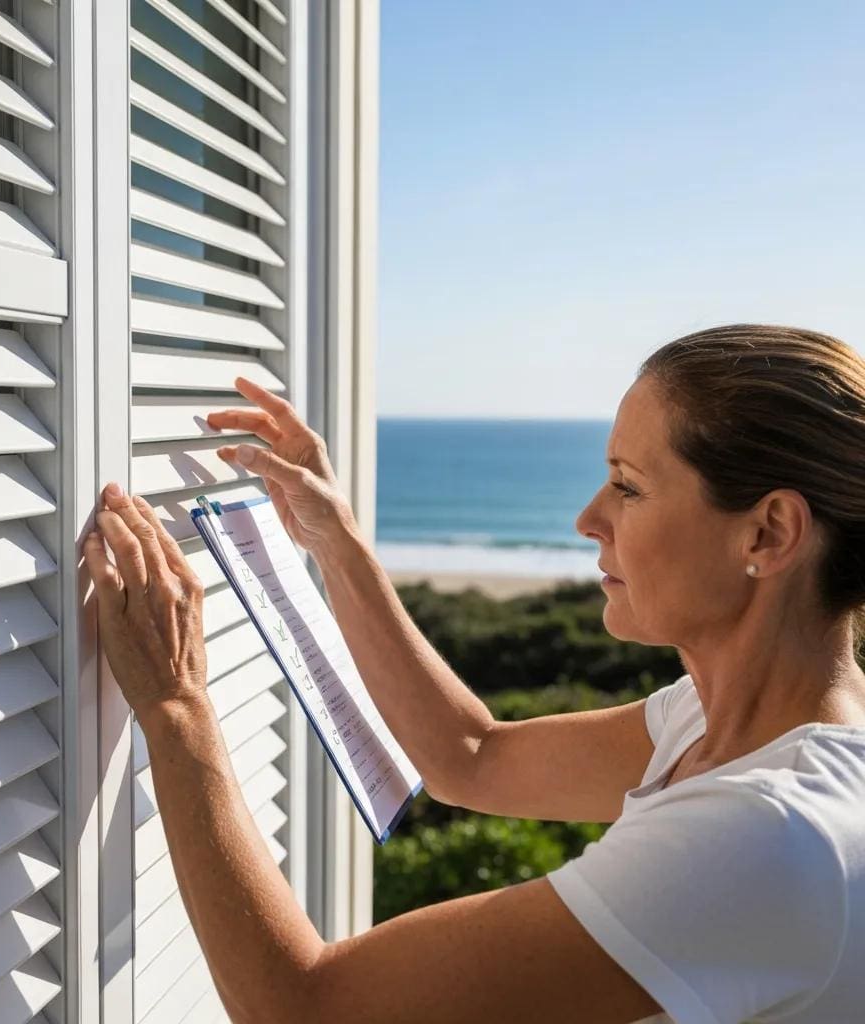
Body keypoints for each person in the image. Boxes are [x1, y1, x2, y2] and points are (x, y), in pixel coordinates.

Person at [83, 323, 865, 1024]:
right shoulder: (723, 719)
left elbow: (306, 1008)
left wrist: (176, 705)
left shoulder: (770, 833)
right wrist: (336, 540)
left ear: (768, 533)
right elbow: (471, 756)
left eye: (629, 486)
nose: (589, 518)